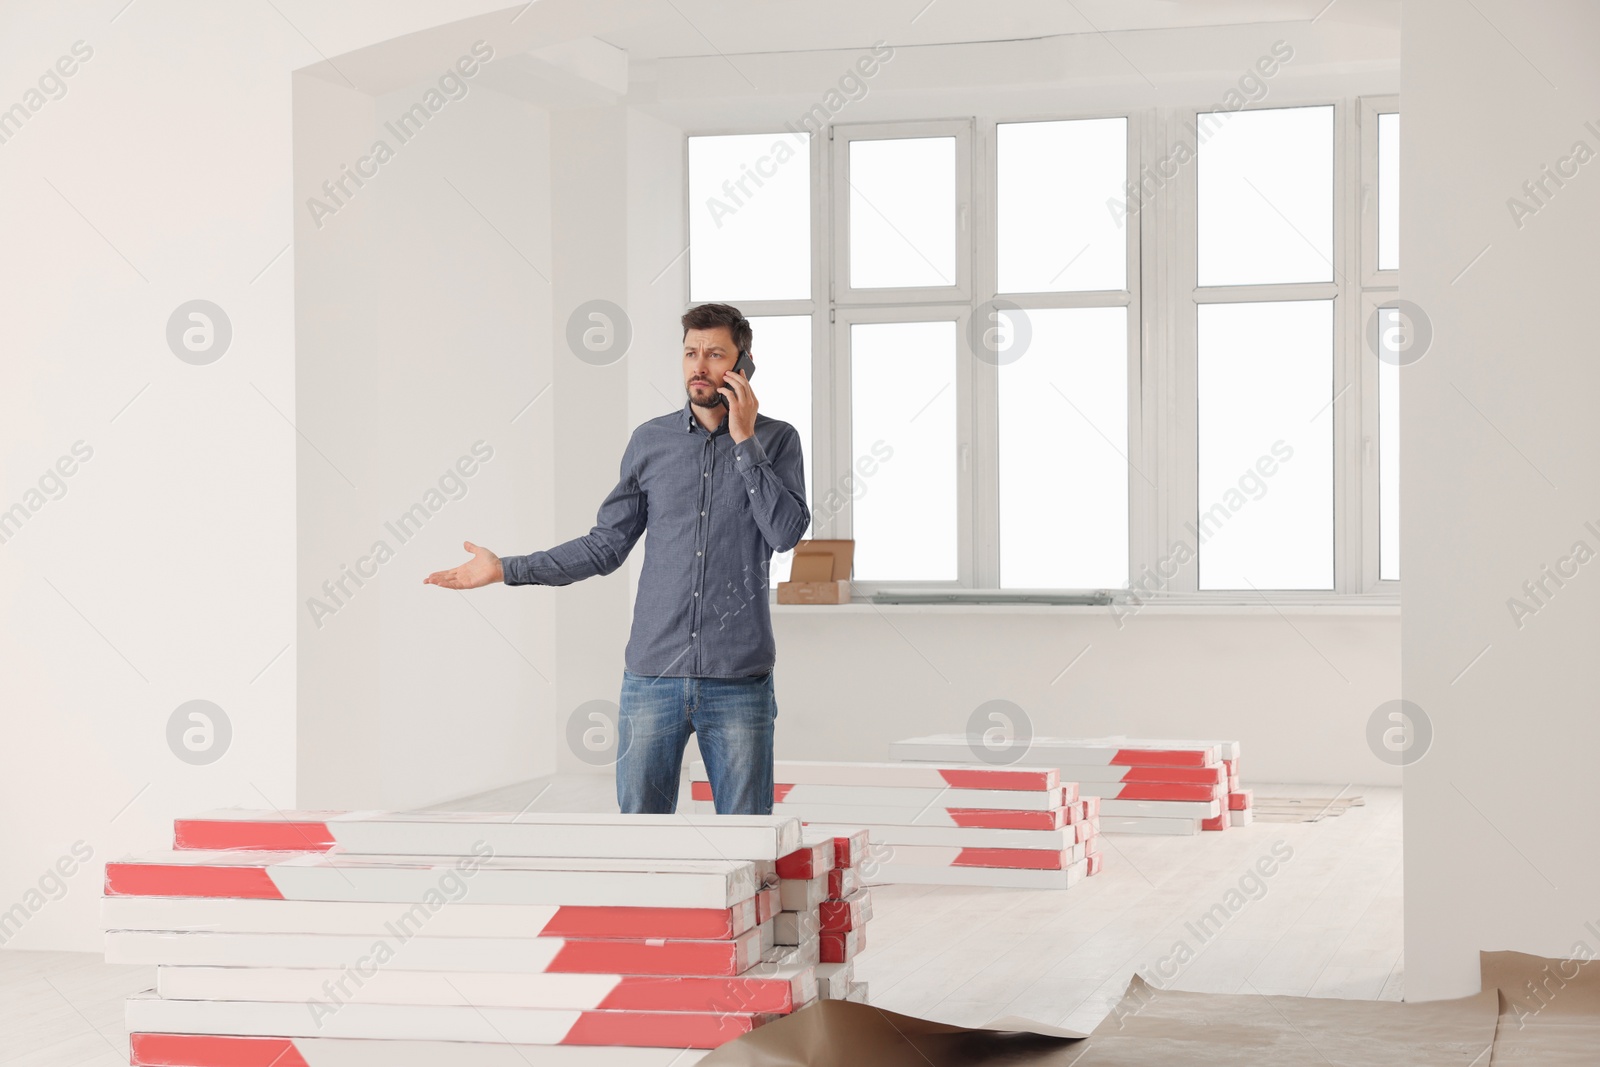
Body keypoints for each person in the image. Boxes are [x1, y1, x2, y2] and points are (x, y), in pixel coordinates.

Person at [424, 303, 810, 815]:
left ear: (744, 365)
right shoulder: (650, 442)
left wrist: (744, 441)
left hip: (738, 680)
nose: (700, 365)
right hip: (652, 678)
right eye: (691, 352)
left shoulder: (777, 441)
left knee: (746, 842)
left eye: (716, 354)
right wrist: (505, 569)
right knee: (640, 844)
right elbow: (605, 547)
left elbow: (785, 533)